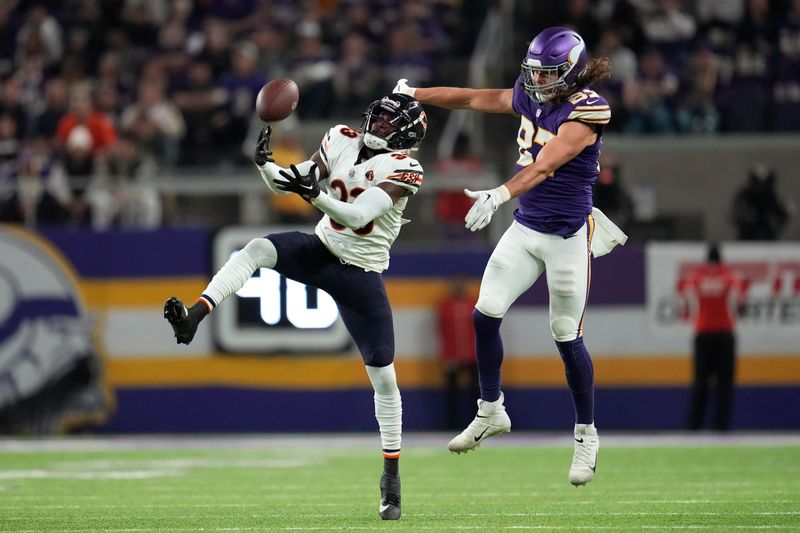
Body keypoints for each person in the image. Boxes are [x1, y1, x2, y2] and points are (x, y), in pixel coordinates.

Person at [163, 92, 428, 520]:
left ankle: (391, 478)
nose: (377, 126)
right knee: (256, 248)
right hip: (322, 250)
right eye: (376, 118)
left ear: (406, 134)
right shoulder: (340, 137)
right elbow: (294, 180)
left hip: (361, 275)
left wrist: (313, 196)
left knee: (384, 379)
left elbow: (359, 216)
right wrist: (266, 165)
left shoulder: (406, 167)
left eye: (385, 123)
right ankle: (195, 315)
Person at [394, 26, 627, 486]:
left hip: (566, 235)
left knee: (566, 336)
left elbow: (546, 164)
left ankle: (586, 436)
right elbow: (473, 99)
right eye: (534, 73)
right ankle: (490, 411)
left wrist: (499, 194)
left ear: (573, 72)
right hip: (527, 228)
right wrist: (415, 92)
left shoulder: (588, 109)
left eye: (547, 74)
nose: (537, 82)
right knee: (484, 314)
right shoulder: (531, 94)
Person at [678, 243, 746, 431]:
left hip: (703, 335)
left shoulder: (695, 279)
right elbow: (740, 306)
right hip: (725, 335)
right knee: (725, 383)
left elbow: (686, 306)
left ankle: (694, 425)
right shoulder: (730, 278)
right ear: (720, 259)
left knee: (700, 382)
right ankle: (721, 425)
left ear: (707, 259)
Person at [436, 274, 479, 429]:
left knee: (476, 391)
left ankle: (477, 423)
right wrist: (447, 356)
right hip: (452, 356)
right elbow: (442, 330)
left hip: (473, 355)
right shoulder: (445, 305)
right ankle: (452, 425)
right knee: (452, 393)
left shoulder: (474, 303)